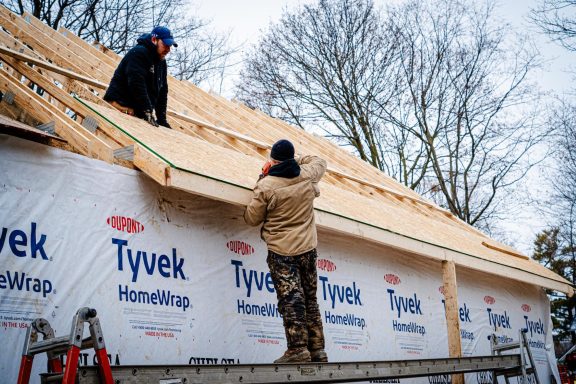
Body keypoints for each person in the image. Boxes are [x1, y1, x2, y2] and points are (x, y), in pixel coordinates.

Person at [244, 139, 328, 363]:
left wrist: (263, 177)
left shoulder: (267, 185)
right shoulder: (307, 174)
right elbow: (320, 160)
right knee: (310, 299)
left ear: (272, 160)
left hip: (283, 252)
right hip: (308, 248)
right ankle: (317, 350)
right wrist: (294, 161)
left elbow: (251, 218)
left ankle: (298, 349)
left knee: (291, 300)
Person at [104, 26, 176, 128]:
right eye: (165, 45)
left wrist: (162, 120)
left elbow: (162, 91)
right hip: (119, 106)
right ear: (154, 40)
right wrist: (147, 109)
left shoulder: (161, 62)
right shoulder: (139, 53)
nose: (168, 49)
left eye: (170, 46)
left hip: (136, 111)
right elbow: (136, 83)